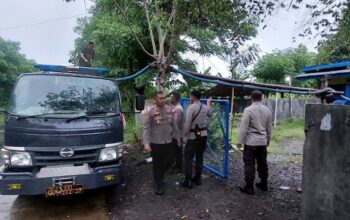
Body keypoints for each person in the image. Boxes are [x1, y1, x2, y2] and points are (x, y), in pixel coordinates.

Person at [143, 91, 180, 195]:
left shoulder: (170, 110)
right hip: (156, 143)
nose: (163, 100)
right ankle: (160, 185)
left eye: (164, 97)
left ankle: (159, 174)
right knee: (157, 163)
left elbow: (174, 125)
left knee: (170, 160)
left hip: (168, 141)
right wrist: (146, 143)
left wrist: (178, 137)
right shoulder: (150, 112)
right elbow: (146, 128)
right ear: (155, 99)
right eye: (160, 98)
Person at [238, 90, 272, 195]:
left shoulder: (248, 110)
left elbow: (244, 127)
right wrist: (268, 140)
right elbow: (269, 128)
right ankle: (264, 184)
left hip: (250, 143)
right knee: (262, 164)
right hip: (262, 142)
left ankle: (249, 187)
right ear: (261, 98)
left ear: (251, 98)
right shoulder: (267, 110)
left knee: (249, 164)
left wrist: (240, 141)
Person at [182, 90, 212, 188]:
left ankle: (188, 181)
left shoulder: (191, 108)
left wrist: (185, 136)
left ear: (193, 97)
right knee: (200, 157)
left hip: (192, 136)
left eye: (190, 96)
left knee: (188, 158)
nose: (190, 98)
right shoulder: (205, 107)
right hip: (203, 136)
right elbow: (210, 113)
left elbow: (187, 125)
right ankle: (198, 179)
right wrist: (208, 104)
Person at [170, 92, 184, 174]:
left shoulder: (178, 109)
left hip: (178, 134)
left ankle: (180, 168)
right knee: (175, 151)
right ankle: (177, 165)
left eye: (172, 97)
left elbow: (174, 122)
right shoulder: (174, 108)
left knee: (178, 151)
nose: (170, 99)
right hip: (175, 134)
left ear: (175, 99)